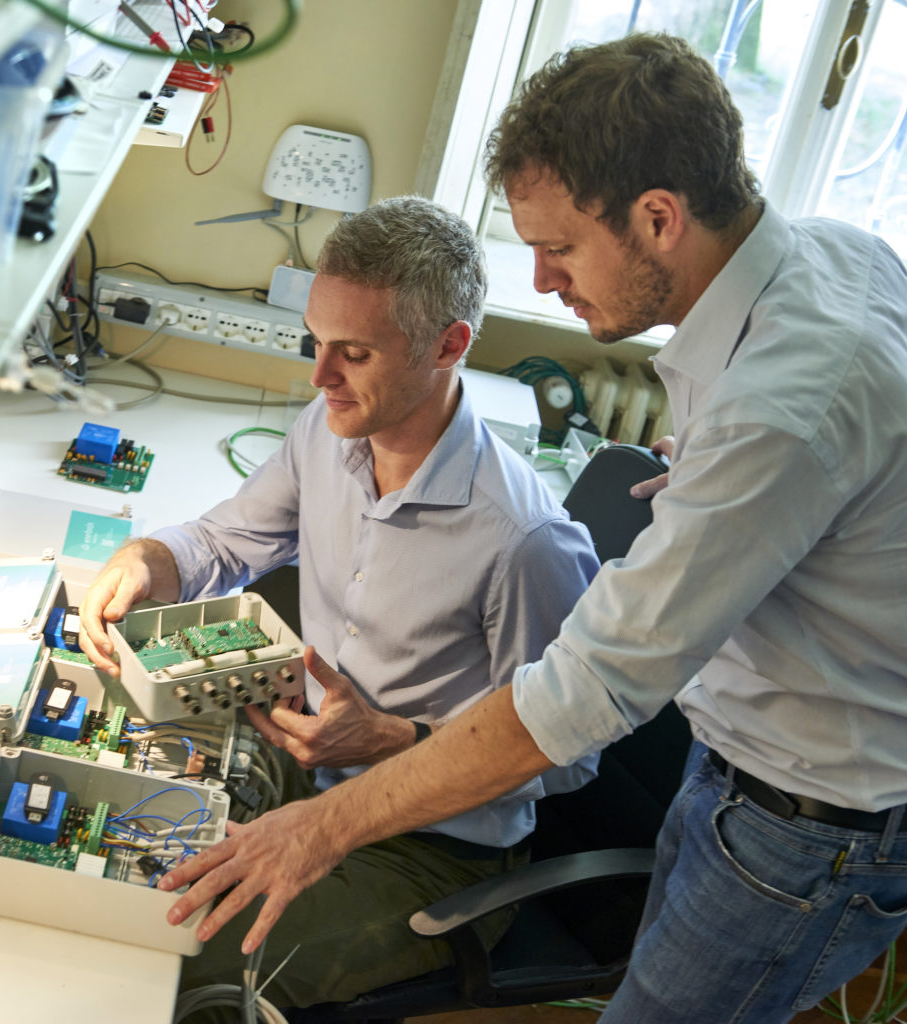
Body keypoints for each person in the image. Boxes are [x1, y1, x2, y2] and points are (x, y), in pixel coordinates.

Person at [156, 33, 907, 1024]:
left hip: (811, 818)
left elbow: (575, 701)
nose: (543, 280)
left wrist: (324, 825)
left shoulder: (785, 404)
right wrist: (747, 494)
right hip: (729, 764)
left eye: (557, 248)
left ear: (657, 217)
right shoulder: (827, 257)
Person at [78, 195, 600, 1007]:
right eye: (316, 344)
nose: (319, 378)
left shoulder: (523, 541)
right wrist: (148, 560)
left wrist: (393, 738)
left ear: (448, 345)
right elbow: (222, 546)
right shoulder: (330, 432)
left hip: (426, 849)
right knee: (95, 855)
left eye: (352, 353)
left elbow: (570, 757)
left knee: (160, 962)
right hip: (302, 769)